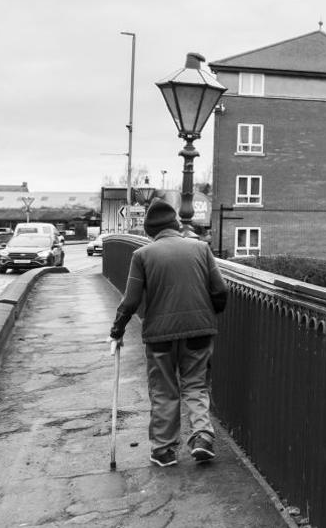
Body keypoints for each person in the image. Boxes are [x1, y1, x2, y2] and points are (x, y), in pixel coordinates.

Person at [108, 200, 229, 467]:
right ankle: (202, 439)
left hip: (160, 336)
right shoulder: (201, 249)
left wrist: (117, 330)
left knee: (163, 390)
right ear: (176, 225)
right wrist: (209, 313)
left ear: (150, 231)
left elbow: (131, 301)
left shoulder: (142, 256)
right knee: (196, 385)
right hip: (199, 330)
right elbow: (220, 290)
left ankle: (164, 450)